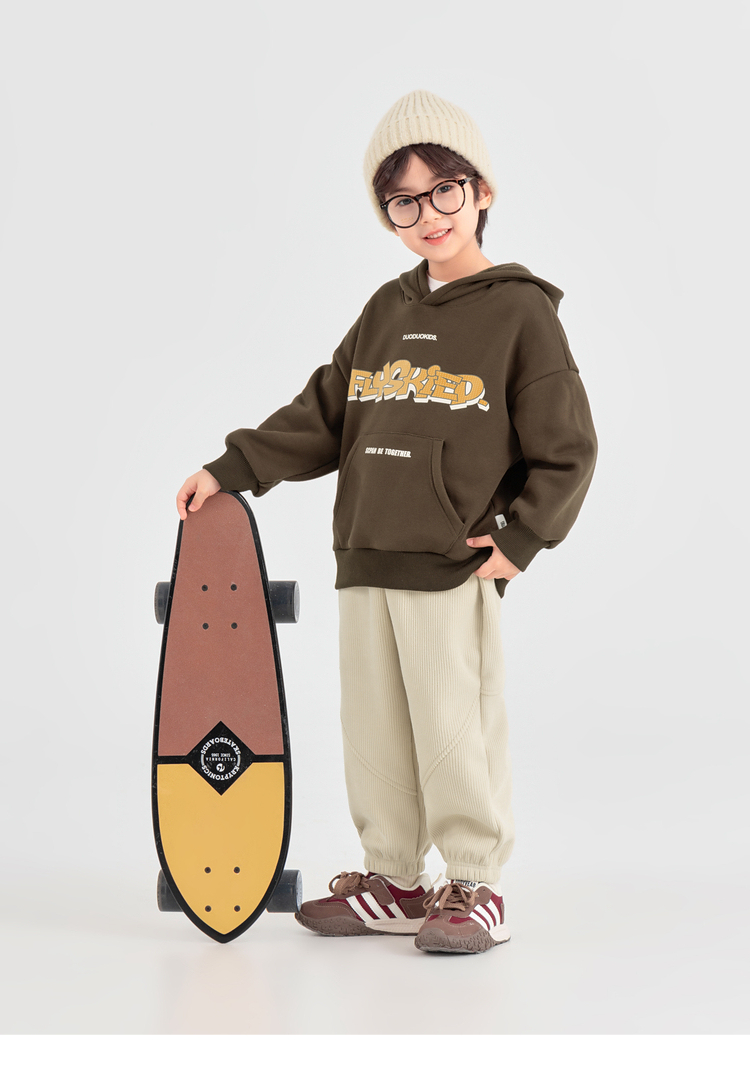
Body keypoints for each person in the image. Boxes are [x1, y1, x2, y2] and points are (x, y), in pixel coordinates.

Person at [176, 89, 598, 955]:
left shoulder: (520, 312)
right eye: (402, 201)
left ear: (481, 191)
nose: (427, 215)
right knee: (374, 733)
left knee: (453, 728)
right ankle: (396, 879)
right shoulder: (386, 310)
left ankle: (474, 883)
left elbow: (568, 448)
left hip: (450, 563)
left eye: (443, 190)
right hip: (366, 556)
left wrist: (521, 538)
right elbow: (324, 413)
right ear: (387, 216)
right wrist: (233, 468)